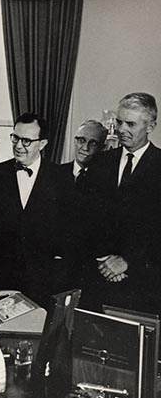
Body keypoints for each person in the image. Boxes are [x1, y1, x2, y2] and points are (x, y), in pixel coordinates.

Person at [81, 92, 161, 314]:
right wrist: (104, 260)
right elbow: (85, 220)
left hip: (143, 289)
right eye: (119, 122)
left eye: (131, 124)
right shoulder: (99, 163)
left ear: (151, 126)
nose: (121, 129)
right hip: (97, 282)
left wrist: (128, 262)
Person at [0, 113, 67, 308]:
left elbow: (67, 234)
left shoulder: (62, 179)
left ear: (42, 144)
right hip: (2, 282)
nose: (18, 145)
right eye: (15, 138)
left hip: (45, 285)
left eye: (26, 141)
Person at [60, 120, 108, 288]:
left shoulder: (106, 183)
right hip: (52, 269)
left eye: (93, 143)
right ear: (74, 140)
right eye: (81, 140)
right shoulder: (54, 174)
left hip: (87, 274)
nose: (85, 147)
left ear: (103, 147)